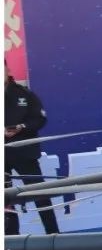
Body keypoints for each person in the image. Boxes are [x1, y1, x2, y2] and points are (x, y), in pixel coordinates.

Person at [4, 62, 60, 235]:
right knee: (5, 197)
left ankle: (53, 235)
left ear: (7, 69)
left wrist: (22, 127)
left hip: (24, 153)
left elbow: (40, 119)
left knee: (39, 193)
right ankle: (11, 239)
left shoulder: (25, 94)